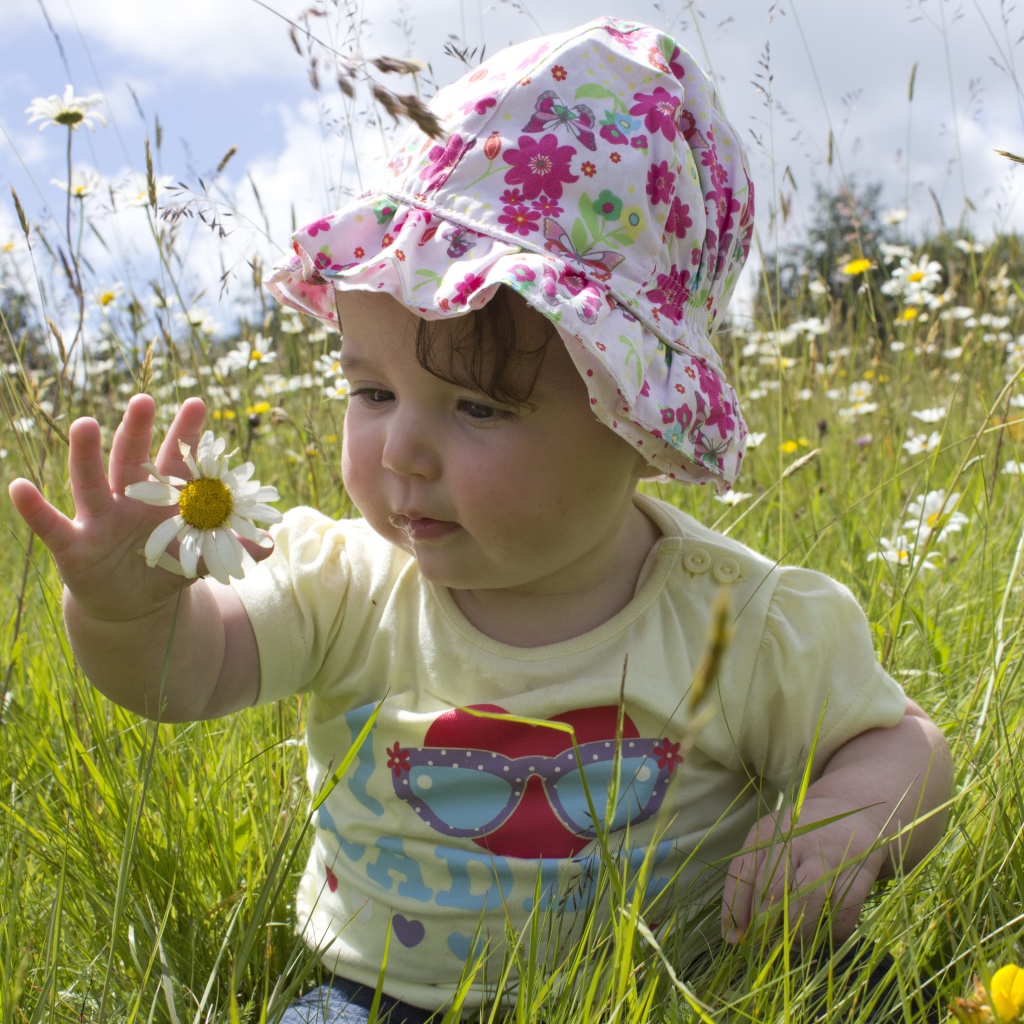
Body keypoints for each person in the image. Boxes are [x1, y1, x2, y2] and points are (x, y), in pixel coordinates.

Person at [8, 16, 952, 1023]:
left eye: (480, 406)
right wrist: (121, 614)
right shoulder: (346, 582)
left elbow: (904, 748)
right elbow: (188, 674)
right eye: (372, 392)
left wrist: (845, 829)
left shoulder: (741, 621)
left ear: (636, 420)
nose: (400, 452)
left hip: (682, 990)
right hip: (381, 999)